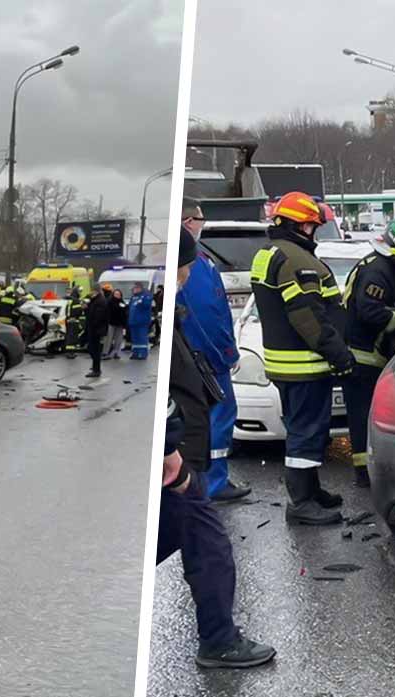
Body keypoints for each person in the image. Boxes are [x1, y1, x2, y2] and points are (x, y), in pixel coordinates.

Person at [158, 227, 275, 670]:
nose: (188, 275)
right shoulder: (174, 305)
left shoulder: (175, 307)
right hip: (176, 461)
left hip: (183, 454)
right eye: (185, 268)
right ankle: (219, 641)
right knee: (208, 545)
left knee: (193, 541)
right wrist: (172, 458)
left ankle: (219, 638)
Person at [249, 191, 354, 525]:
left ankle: (311, 490)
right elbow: (307, 316)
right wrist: (339, 354)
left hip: (284, 363)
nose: (314, 231)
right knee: (307, 432)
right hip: (305, 363)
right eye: (312, 225)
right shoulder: (298, 260)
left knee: (303, 430)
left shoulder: (269, 253)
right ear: (299, 225)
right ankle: (301, 503)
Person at [342, 216, 395, 488]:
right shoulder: (379, 270)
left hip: (372, 354)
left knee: (371, 414)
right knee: (362, 415)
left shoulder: (385, 267)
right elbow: (370, 312)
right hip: (362, 356)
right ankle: (363, 472)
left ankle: (373, 467)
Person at [178, 197, 247, 501]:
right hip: (207, 360)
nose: (203, 225)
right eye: (201, 220)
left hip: (201, 357)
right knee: (218, 417)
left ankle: (206, 480)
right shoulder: (192, 264)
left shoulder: (200, 258)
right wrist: (223, 355)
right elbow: (204, 314)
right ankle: (213, 482)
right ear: (188, 222)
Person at [85, 283, 112, 378]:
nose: (90, 292)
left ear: (95, 291)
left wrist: (93, 324)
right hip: (93, 328)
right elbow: (90, 313)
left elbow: (98, 316)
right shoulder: (95, 300)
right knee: (91, 349)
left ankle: (96, 370)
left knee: (95, 350)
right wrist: (86, 308)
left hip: (97, 329)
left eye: (92, 291)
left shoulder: (100, 301)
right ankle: (95, 367)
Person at [128, 282, 153, 359]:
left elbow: (147, 305)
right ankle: (135, 353)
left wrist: (143, 300)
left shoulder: (146, 296)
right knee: (135, 339)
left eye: (135, 288)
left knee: (142, 338)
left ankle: (142, 353)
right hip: (133, 322)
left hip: (142, 322)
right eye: (133, 289)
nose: (133, 290)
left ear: (139, 288)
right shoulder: (133, 297)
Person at [107, 288, 129, 359]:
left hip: (120, 324)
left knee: (118, 340)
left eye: (119, 294)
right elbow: (110, 311)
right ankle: (105, 353)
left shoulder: (122, 302)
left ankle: (115, 353)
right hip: (111, 323)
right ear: (113, 294)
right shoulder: (110, 302)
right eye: (116, 294)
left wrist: (124, 324)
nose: (117, 295)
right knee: (109, 339)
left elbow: (125, 312)